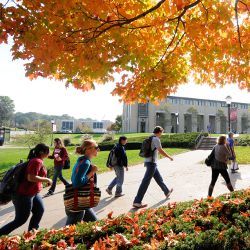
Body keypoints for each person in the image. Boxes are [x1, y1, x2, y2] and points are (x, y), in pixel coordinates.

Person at [0, 144, 52, 236]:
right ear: (41, 152)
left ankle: (32, 234)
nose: (49, 153)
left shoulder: (36, 160)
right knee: (20, 220)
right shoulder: (36, 161)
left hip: (33, 193)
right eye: (48, 151)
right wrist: (47, 179)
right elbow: (31, 177)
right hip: (23, 194)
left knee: (39, 210)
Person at [133, 126, 174, 208]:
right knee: (145, 182)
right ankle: (137, 201)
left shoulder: (150, 137)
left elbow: (153, 150)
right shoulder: (156, 139)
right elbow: (160, 150)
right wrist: (169, 157)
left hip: (150, 162)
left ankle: (166, 191)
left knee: (159, 179)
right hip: (151, 163)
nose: (161, 134)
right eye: (161, 132)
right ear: (159, 132)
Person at [65, 139, 99, 226]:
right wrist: (92, 172)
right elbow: (77, 183)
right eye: (96, 147)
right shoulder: (85, 162)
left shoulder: (81, 160)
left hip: (82, 200)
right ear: (88, 149)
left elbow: (74, 179)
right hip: (78, 203)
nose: (98, 149)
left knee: (95, 224)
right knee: (68, 231)